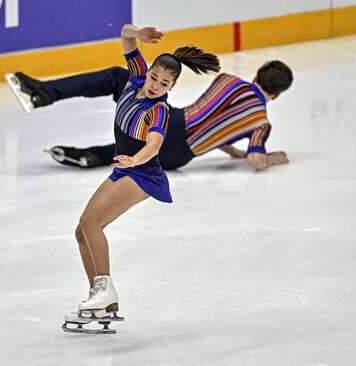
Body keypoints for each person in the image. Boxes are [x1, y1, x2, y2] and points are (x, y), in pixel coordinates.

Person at [53, 24, 220, 334]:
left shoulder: (159, 110)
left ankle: (105, 290)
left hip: (142, 173)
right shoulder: (136, 78)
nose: (156, 85)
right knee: (82, 231)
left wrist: (134, 159)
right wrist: (138, 33)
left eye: (164, 83)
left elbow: (154, 145)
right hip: (127, 169)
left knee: (91, 222)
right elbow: (125, 34)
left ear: (172, 86)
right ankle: (101, 300)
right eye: (154, 77)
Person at [6, 59, 293, 173]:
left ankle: (45, 92)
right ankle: (91, 156)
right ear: (277, 95)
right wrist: (268, 158)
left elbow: (211, 115)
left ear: (256, 76)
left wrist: (229, 147)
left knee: (120, 78)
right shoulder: (260, 123)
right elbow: (255, 158)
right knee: (136, 148)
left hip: (172, 122)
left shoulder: (228, 81)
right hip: (177, 157)